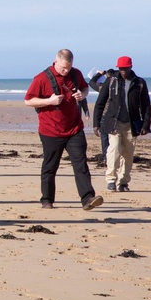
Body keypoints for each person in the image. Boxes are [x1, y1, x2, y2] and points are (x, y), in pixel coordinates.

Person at [24, 49, 104, 210]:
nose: (66, 71)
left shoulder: (76, 74)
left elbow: (85, 88)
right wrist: (49, 101)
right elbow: (28, 101)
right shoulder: (41, 78)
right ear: (56, 62)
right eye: (63, 68)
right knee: (50, 166)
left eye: (68, 68)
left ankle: (88, 199)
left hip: (74, 128)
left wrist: (82, 94)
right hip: (50, 130)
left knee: (80, 162)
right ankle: (47, 200)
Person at [93, 56, 151, 193]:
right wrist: (96, 123)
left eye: (125, 68)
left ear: (131, 67)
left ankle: (123, 182)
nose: (123, 71)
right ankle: (111, 180)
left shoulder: (139, 83)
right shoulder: (111, 81)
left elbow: (146, 105)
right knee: (113, 150)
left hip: (132, 124)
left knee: (128, 154)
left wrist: (146, 125)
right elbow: (100, 103)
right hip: (114, 122)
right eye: (120, 69)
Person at [88, 68, 117, 166]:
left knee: (105, 138)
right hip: (116, 116)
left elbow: (91, 82)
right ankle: (114, 157)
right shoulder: (120, 86)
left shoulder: (103, 86)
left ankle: (107, 157)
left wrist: (99, 74)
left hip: (105, 115)